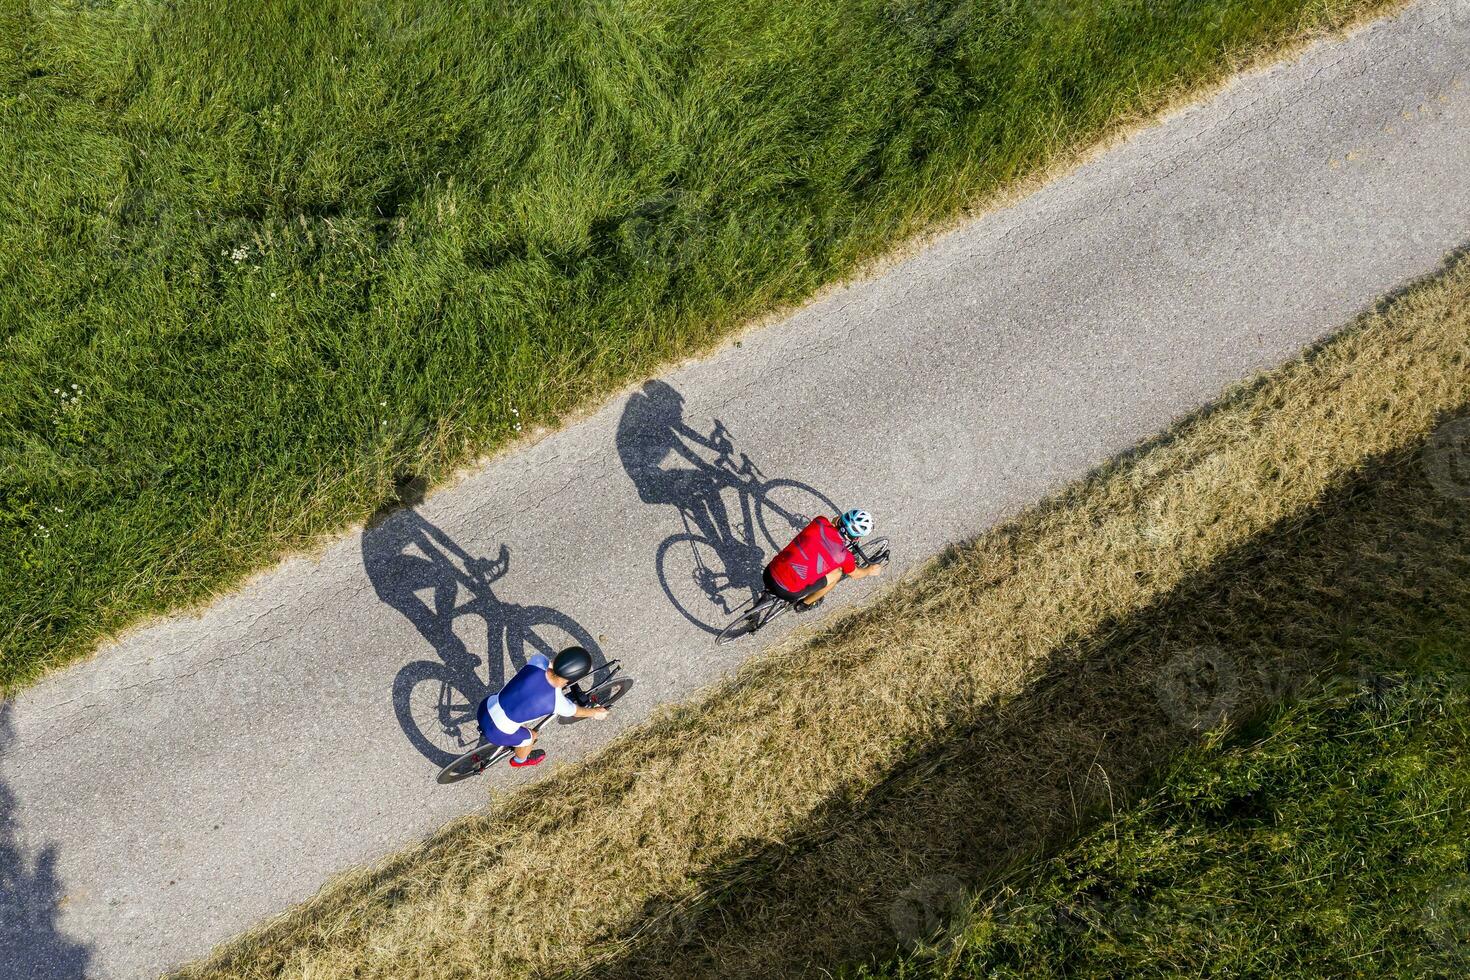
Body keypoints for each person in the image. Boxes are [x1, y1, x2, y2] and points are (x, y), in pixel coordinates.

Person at [475, 646, 608, 768]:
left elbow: (549, 666)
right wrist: (595, 712)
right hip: (497, 732)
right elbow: (578, 712)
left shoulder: (538, 661)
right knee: (531, 736)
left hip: (485, 706)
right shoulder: (558, 702)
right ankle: (519, 761)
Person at [763, 509, 883, 612]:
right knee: (836, 574)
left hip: (769, 572)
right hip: (787, 591)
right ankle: (805, 604)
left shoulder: (819, 522)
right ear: (856, 538)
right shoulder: (844, 556)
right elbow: (856, 574)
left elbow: (835, 520)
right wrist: (870, 570)